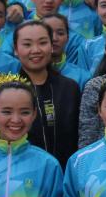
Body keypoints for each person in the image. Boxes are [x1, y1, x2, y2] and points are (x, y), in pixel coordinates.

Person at [10, 20, 80, 167]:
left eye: (42, 43)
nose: (36, 50)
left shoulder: (70, 88)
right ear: (16, 49)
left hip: (65, 172)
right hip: (21, 173)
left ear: (51, 46)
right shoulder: (8, 92)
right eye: (27, 44)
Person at [41, 13, 91, 91]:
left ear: (67, 38)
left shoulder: (82, 77)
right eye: (48, 33)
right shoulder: (27, 73)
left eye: (60, 33)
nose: (54, 38)